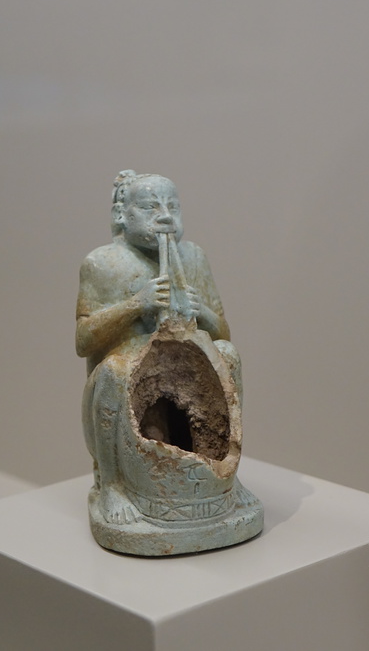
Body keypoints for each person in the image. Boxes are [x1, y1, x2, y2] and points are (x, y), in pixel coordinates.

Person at [76, 171, 242, 526]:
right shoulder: (101, 263)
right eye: (151, 207)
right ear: (122, 215)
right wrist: (137, 304)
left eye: (173, 207)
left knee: (228, 353)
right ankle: (113, 485)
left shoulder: (193, 257)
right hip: (126, 381)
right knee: (114, 369)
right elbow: (84, 340)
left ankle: (227, 475)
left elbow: (222, 331)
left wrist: (202, 312)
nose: (165, 216)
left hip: (185, 368)